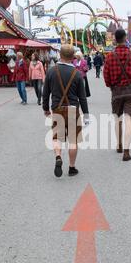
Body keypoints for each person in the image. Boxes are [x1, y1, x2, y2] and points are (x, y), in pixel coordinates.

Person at [43, 44, 89, 178]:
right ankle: (72, 167)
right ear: (73, 57)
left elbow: (45, 93)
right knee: (73, 140)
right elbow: (82, 97)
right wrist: (86, 115)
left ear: (60, 55)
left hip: (57, 108)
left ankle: (58, 156)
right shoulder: (77, 74)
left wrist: (46, 108)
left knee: (57, 137)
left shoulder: (51, 71)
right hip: (73, 109)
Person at [104, 28, 131, 162]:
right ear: (125, 38)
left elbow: (106, 76)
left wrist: (111, 86)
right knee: (129, 120)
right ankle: (126, 151)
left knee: (117, 119)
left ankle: (119, 145)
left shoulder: (109, 57)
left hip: (116, 92)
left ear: (115, 39)